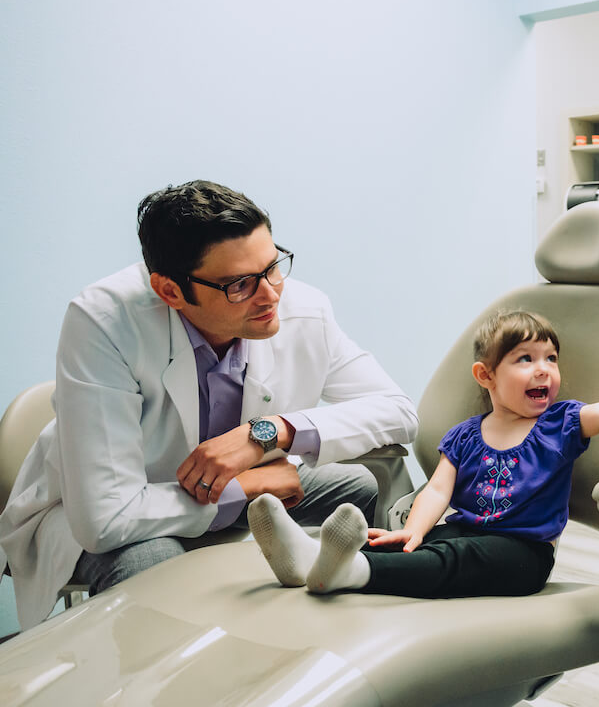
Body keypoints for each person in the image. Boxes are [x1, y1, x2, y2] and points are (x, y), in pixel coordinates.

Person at [0, 180, 418, 629]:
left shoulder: (301, 307)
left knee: (375, 497)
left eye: (273, 266)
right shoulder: (103, 323)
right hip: (109, 513)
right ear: (170, 292)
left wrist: (273, 432)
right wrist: (248, 487)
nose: (271, 295)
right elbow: (107, 519)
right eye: (240, 283)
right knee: (157, 564)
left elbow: (398, 412)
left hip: (244, 483)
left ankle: (349, 646)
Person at [248, 309, 599, 598]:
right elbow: (437, 490)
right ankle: (311, 559)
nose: (544, 371)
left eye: (550, 359)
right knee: (414, 546)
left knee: (451, 563)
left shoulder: (561, 423)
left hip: (523, 554)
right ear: (485, 375)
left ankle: (347, 572)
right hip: (461, 530)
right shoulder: (465, 436)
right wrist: (411, 532)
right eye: (525, 359)